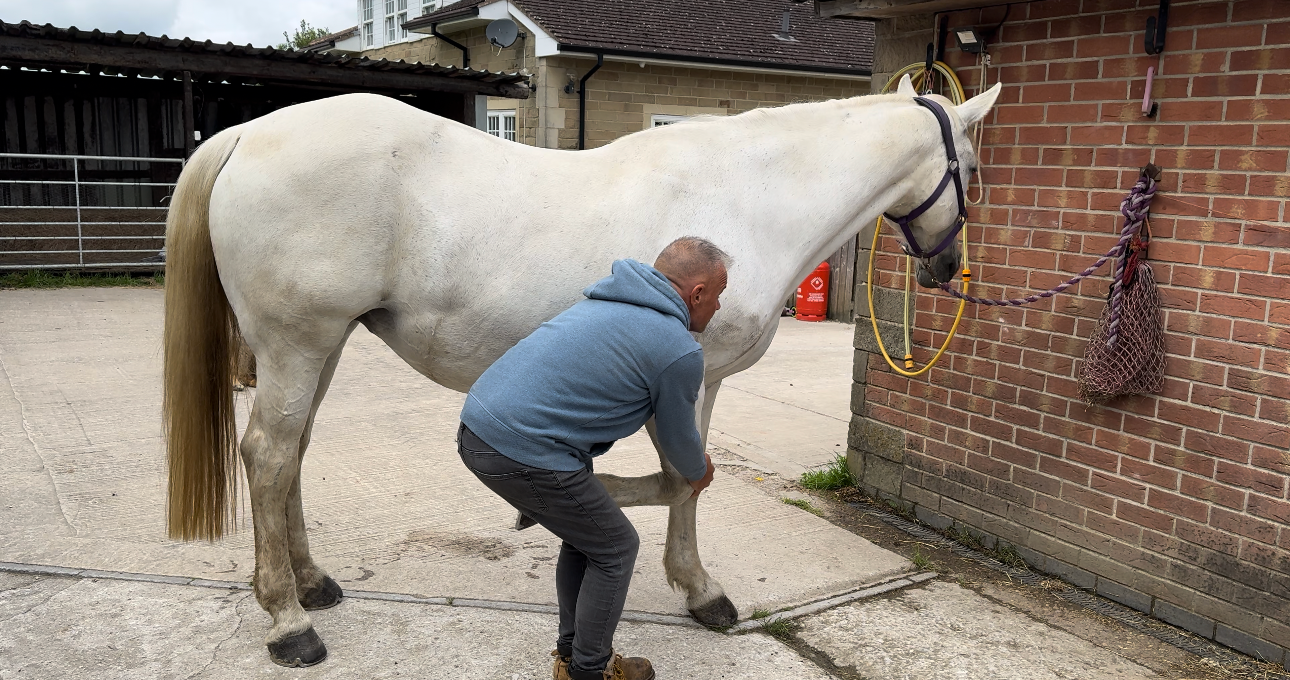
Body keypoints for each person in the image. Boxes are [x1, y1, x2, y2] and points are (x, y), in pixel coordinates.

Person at [457, 237, 729, 680]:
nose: (718, 307)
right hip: (526, 451)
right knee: (618, 548)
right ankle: (590, 672)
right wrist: (699, 472)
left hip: (480, 429)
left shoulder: (603, 302)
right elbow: (681, 440)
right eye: (718, 295)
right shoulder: (676, 348)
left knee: (589, 540)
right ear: (697, 293)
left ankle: (572, 657)